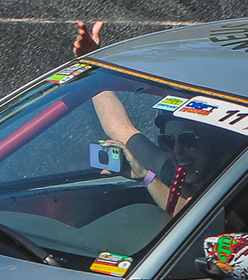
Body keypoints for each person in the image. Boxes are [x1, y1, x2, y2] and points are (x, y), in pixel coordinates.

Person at [73, 19, 223, 220]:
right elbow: (119, 128)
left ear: (212, 142)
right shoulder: (176, 171)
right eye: (167, 142)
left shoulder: (235, 182)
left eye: (188, 140)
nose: (177, 151)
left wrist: (147, 177)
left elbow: (190, 216)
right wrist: (93, 67)